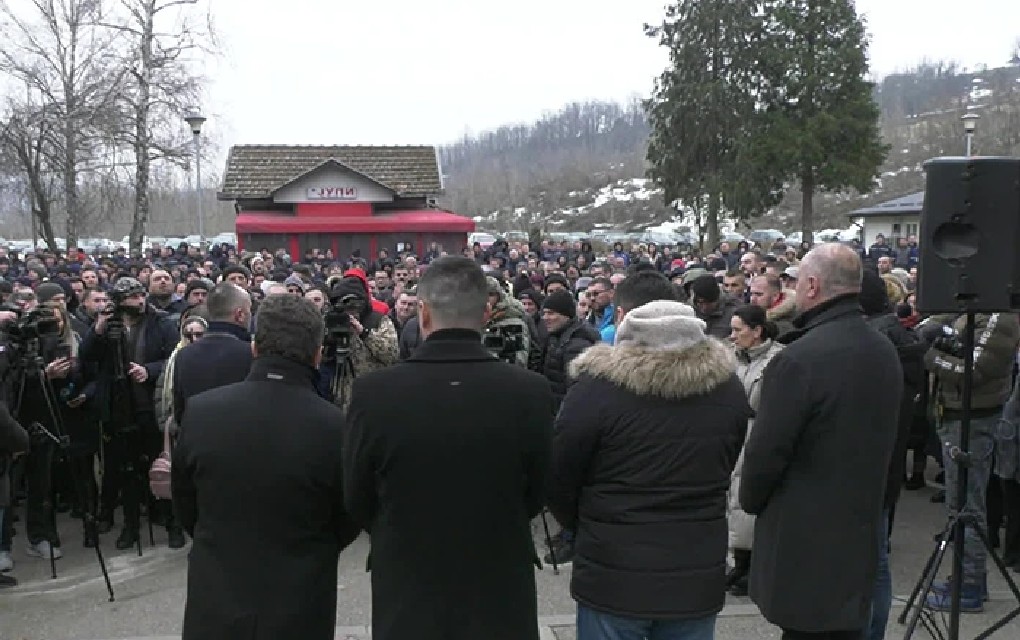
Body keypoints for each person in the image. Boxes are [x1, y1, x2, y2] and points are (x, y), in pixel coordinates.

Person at [344, 256, 553, 640]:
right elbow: (538, 490)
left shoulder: (375, 393)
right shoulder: (529, 391)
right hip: (498, 569)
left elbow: (357, 492)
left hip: (408, 569)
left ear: (422, 314)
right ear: (486, 311)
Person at [547, 271, 750, 640]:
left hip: (613, 570)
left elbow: (560, 476)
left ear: (622, 317)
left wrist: (584, 524)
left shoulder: (595, 389)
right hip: (695, 566)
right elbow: (729, 459)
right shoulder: (727, 387)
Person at [172, 294, 361, 640]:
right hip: (301, 599)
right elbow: (347, 515)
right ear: (318, 354)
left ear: (254, 347)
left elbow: (186, 504)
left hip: (218, 596)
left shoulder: (202, 412)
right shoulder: (335, 426)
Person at [739, 243, 903, 640]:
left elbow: (766, 453)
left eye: (796, 283)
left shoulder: (798, 359)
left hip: (804, 536)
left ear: (812, 286)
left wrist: (750, 501)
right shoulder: (883, 349)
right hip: (860, 525)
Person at [923, 305, 1020, 611]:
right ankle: (967, 577)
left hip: (973, 420)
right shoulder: (972, 307)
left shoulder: (1001, 316)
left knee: (967, 506)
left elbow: (973, 370)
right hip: (954, 414)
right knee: (959, 505)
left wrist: (929, 353)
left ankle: (969, 586)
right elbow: (926, 328)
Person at [726, 304, 783, 598]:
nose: (732, 336)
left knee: (750, 499)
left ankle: (753, 565)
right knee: (733, 500)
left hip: (758, 432)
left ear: (757, 331)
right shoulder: (730, 356)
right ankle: (739, 560)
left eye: (738, 330)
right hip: (732, 432)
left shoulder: (779, 359)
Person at [172, 283, 254, 423]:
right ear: (240, 315)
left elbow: (179, 412)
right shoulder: (250, 353)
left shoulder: (184, 355)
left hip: (197, 437)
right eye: (249, 310)